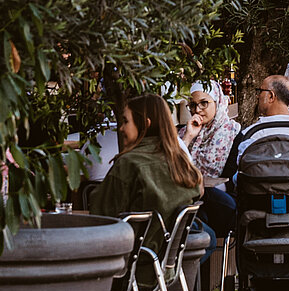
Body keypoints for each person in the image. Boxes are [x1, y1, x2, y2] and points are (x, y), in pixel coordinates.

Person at [88, 93, 203, 237]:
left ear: (145, 123)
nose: (121, 128)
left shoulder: (129, 163)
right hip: (162, 253)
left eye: (125, 121)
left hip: (128, 253)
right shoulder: (181, 162)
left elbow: (100, 215)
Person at [180, 88, 240, 237]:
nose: (197, 110)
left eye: (204, 103)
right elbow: (172, 166)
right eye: (193, 105)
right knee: (200, 218)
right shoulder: (183, 132)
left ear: (217, 103)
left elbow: (232, 180)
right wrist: (188, 137)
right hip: (191, 201)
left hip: (222, 200)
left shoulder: (233, 133)